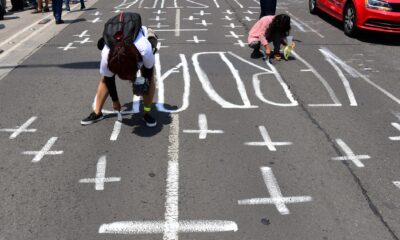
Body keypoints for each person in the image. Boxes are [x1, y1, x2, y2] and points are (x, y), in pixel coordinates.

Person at [81, 13, 157, 128]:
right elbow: (108, 79)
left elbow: (148, 75)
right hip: (118, 39)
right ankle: (97, 112)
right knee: (104, 80)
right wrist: (115, 101)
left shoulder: (145, 50)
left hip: (140, 39)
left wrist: (140, 84)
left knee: (148, 82)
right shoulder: (106, 56)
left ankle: (147, 112)